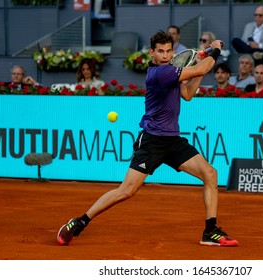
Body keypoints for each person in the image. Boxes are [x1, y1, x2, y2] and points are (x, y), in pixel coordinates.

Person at [57, 30, 238, 247]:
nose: (165, 55)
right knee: (126, 191)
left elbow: (187, 95)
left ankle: (210, 231)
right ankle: (79, 222)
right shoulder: (159, 74)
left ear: (173, 51)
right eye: (160, 51)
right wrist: (216, 50)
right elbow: (202, 67)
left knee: (210, 174)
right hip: (152, 141)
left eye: (169, 51)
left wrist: (197, 72)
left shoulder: (173, 70)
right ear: (152, 52)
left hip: (172, 140)